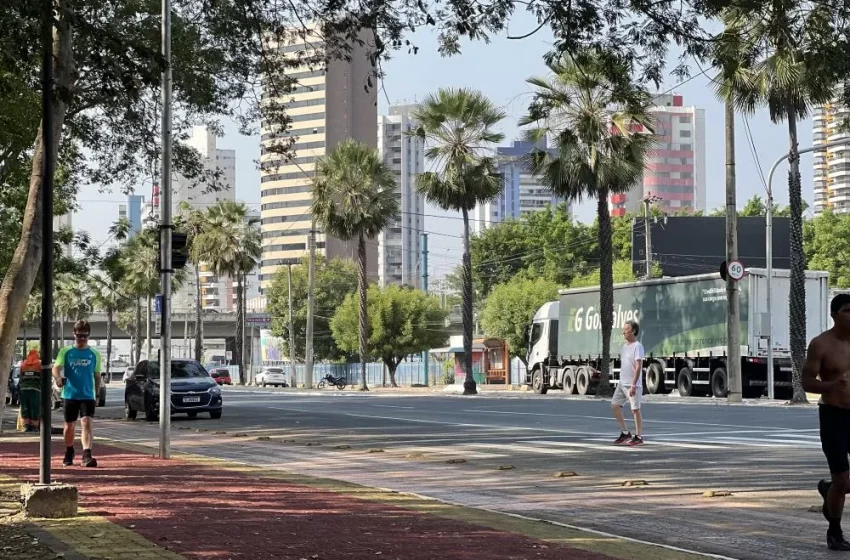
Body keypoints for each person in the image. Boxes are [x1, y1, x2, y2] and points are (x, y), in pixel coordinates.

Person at [804, 293, 850, 551]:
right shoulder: (821, 344)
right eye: (848, 311)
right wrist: (831, 385)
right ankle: (834, 532)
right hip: (834, 416)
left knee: (839, 484)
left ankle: (830, 489)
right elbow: (807, 382)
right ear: (834, 315)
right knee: (842, 478)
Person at [52, 320, 102, 468]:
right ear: (74, 334)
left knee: (87, 422)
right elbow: (56, 368)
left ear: (89, 336)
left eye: (85, 336)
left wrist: (97, 394)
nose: (82, 339)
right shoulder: (66, 352)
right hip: (70, 394)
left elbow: (97, 375)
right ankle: (69, 451)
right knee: (69, 425)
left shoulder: (95, 354)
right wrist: (58, 378)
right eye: (79, 336)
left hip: (88, 395)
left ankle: (87, 455)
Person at [611, 319, 645, 446]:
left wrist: (633, 384)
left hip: (632, 384)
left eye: (626, 330)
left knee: (635, 409)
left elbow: (638, 366)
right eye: (623, 330)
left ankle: (638, 436)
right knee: (615, 405)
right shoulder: (624, 347)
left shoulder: (638, 346)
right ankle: (625, 432)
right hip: (622, 383)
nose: (623, 332)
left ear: (633, 331)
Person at [18, 350, 42, 433]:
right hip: (35, 389)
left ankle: (26, 426)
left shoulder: (23, 364)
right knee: (35, 407)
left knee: (25, 407)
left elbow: (20, 377)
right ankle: (34, 426)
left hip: (23, 389)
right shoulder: (39, 364)